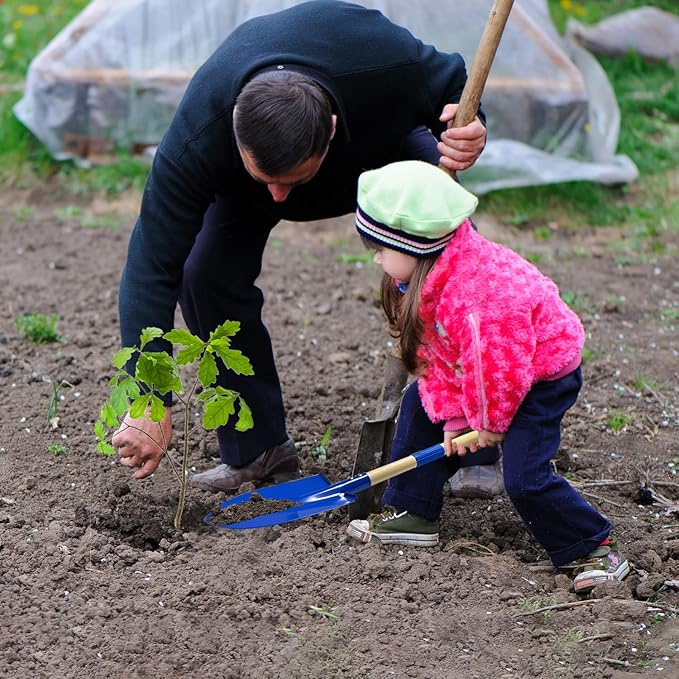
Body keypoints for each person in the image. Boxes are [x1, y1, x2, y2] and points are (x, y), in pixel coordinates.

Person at [111, 0, 491, 492]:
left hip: (383, 149)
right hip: (245, 181)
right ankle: (258, 449)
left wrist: (470, 126)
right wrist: (148, 396)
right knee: (204, 272)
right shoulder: (200, 131)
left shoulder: (381, 57)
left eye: (290, 181)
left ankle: (479, 439)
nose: (279, 197)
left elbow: (456, 80)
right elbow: (151, 265)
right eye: (267, 179)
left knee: (458, 267)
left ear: (329, 129)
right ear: (235, 126)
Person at [346, 160, 629, 593]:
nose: (376, 258)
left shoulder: (481, 295)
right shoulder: (432, 274)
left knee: (524, 477)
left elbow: (500, 370)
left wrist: (486, 423)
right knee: (419, 407)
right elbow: (438, 356)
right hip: (492, 372)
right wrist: (454, 415)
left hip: (540, 376)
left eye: (380, 249)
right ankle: (413, 511)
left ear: (412, 244)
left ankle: (592, 547)